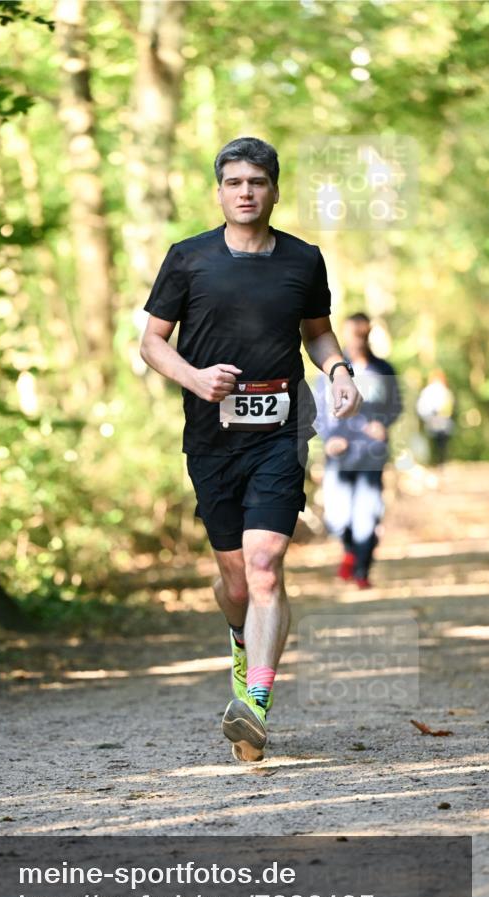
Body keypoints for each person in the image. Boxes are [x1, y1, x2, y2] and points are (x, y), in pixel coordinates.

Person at [140, 137, 362, 762]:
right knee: (235, 581)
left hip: (282, 428)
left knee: (266, 566)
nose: (245, 192)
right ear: (220, 190)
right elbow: (152, 343)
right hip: (211, 434)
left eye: (257, 182)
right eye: (234, 182)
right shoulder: (188, 259)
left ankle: (255, 703)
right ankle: (241, 643)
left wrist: (339, 371)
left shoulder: (304, 260)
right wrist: (195, 379)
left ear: (274, 189)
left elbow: (317, 334)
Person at [314, 313, 402, 589]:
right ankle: (351, 552)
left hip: (371, 454)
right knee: (336, 518)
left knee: (366, 515)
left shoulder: (383, 370)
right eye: (352, 334)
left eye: (361, 335)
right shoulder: (334, 370)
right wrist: (328, 438)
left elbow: (396, 405)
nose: (356, 341)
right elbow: (318, 410)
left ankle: (362, 571)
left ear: (368, 335)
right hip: (339, 453)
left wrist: (383, 424)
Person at [416, 369, 455, 466]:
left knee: (441, 443)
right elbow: (422, 407)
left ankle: (440, 462)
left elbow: (450, 406)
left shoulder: (445, 391)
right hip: (432, 420)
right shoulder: (429, 391)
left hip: (442, 421)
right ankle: (436, 462)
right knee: (436, 443)